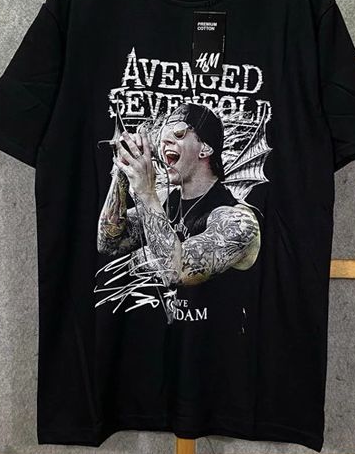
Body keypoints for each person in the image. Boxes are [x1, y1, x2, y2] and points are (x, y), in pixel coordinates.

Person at [97, 103, 261, 307]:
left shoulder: (239, 221)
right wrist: (124, 168)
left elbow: (174, 273)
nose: (165, 140)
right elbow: (109, 243)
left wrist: (146, 193)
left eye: (178, 133)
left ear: (205, 148)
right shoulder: (164, 200)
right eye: (164, 133)